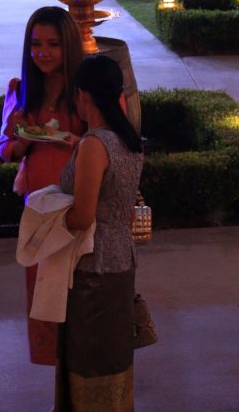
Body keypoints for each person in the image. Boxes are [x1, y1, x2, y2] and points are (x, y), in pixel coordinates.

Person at [55, 55, 144, 411]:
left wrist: (47, 216)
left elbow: (82, 216)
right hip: (122, 261)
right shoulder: (128, 140)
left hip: (93, 267)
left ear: (83, 95)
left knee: (89, 360)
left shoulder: (95, 144)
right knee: (114, 358)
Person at [0, 6, 86, 365]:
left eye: (53, 44)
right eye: (36, 44)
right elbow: (6, 149)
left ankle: (83, 378)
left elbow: (114, 142)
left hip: (79, 205)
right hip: (38, 210)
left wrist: (77, 142)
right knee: (43, 292)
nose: (43, 52)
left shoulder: (86, 90)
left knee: (80, 293)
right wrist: (23, 140)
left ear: (69, 46)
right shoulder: (21, 91)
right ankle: (58, 380)